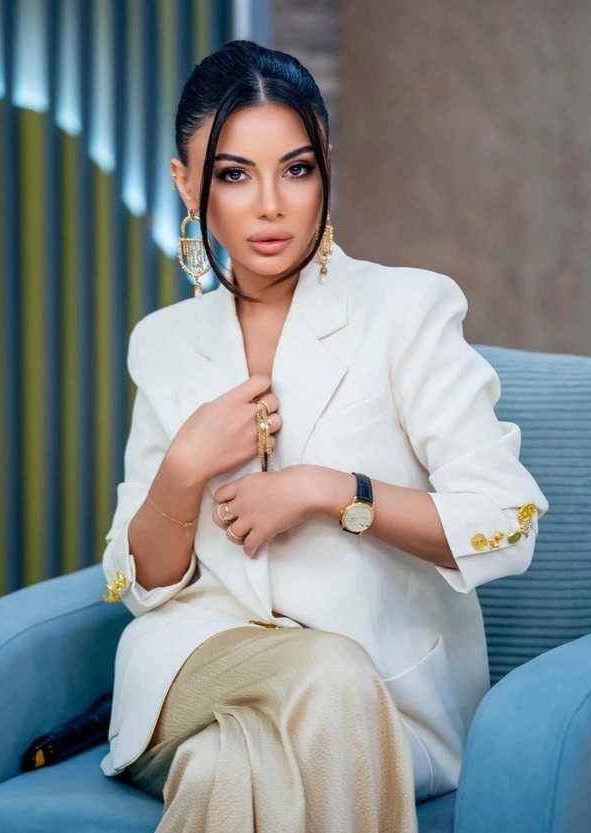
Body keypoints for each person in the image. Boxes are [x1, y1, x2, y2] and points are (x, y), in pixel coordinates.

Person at [98, 39, 549, 833]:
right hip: (197, 670)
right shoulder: (163, 342)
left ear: (326, 168)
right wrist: (183, 470)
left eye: (296, 168)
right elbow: (143, 586)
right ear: (187, 184)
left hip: (375, 700)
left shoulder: (408, 312)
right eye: (234, 175)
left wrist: (330, 491)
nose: (270, 204)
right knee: (324, 676)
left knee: (233, 762)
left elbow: (507, 522)